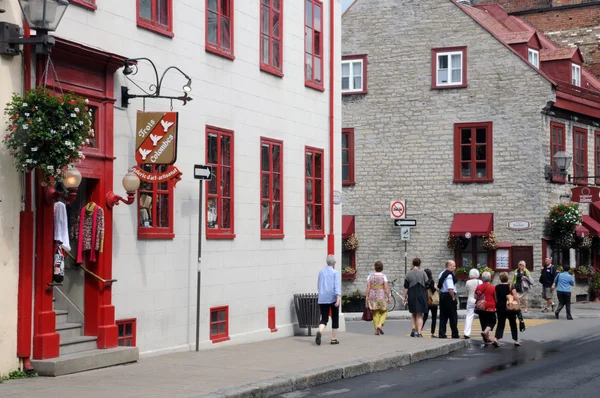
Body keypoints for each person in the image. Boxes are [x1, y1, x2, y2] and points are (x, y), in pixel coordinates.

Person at [316, 254, 341, 345]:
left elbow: (318, 285)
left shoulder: (321, 272)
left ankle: (320, 331)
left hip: (322, 298)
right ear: (334, 263)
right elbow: (336, 286)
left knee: (324, 318)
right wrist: (338, 298)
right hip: (332, 298)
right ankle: (333, 339)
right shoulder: (335, 273)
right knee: (335, 317)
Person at [493, 272, 520, 347]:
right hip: (510, 306)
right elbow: (515, 296)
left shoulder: (497, 287)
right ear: (507, 278)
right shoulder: (511, 286)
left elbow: (495, 297)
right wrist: (518, 302)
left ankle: (496, 338)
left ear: (500, 279)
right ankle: (516, 340)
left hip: (500, 307)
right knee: (513, 323)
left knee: (501, 323)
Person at [403, 258, 429, 337]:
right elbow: (427, 285)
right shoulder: (423, 273)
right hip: (421, 294)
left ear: (412, 264)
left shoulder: (408, 274)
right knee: (420, 314)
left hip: (412, 294)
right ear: (419, 264)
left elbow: (406, 287)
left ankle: (414, 328)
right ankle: (419, 332)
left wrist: (404, 297)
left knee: (413, 313)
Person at [365, 261, 391, 335]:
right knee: (384, 311)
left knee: (375, 312)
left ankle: (376, 330)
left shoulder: (370, 276)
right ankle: (380, 324)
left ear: (375, 267)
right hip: (381, 296)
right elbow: (386, 288)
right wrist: (388, 297)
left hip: (372, 296)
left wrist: (366, 297)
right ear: (382, 268)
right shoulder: (384, 276)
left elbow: (368, 287)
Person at [438, 260, 459, 339]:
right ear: (449, 266)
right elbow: (450, 288)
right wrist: (453, 297)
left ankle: (442, 333)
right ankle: (454, 333)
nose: (455, 267)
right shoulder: (449, 275)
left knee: (443, 316)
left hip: (442, 295)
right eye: (453, 266)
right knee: (453, 316)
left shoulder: (442, 273)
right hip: (448, 296)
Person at [474, 271, 496, 343]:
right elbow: (495, 297)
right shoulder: (493, 287)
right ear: (490, 279)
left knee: (483, 322)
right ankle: (485, 332)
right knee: (492, 321)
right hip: (490, 307)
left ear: (482, 279)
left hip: (481, 307)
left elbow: (475, 296)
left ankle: (486, 338)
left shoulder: (478, 287)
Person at [464, 268, 482, 339]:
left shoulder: (468, 282)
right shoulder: (479, 281)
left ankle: (466, 333)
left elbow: (467, 291)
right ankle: (484, 330)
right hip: (477, 300)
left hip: (470, 300)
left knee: (469, 316)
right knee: (482, 316)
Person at [422, 268, 439, 338]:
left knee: (425, 316)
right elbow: (433, 290)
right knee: (434, 317)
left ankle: (419, 330)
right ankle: (433, 332)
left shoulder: (423, 281)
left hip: (426, 301)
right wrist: (435, 287)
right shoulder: (431, 281)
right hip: (433, 301)